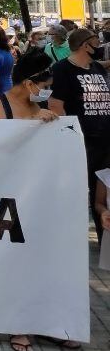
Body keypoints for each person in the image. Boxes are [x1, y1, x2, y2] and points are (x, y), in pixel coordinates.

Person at [0, 51, 72, 351]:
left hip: (40, 196)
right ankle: (18, 325)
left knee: (43, 259)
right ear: (29, 82)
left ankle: (47, 321)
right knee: (14, 262)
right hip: (8, 198)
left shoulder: (40, 103)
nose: (47, 90)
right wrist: (33, 125)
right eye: (44, 83)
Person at [49, 28, 110, 242]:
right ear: (86, 45)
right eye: (96, 42)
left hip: (105, 141)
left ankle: (105, 241)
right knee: (81, 191)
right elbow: (56, 106)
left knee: (101, 194)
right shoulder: (62, 70)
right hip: (83, 142)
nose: (100, 46)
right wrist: (72, 139)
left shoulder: (96, 68)